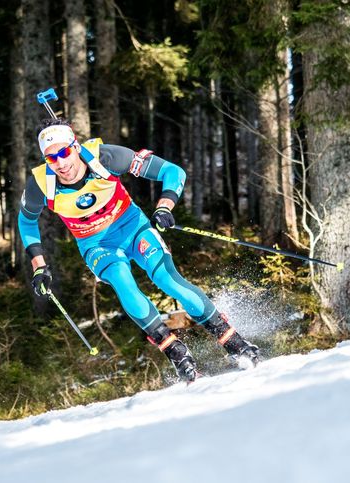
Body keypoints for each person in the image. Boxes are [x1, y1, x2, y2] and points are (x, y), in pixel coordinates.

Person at [18, 118, 259, 382]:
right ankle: (177, 354)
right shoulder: (41, 183)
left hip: (133, 228)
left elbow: (173, 171)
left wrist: (165, 205)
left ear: (75, 146)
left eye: (64, 152)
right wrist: (39, 266)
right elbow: (26, 221)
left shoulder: (106, 157)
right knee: (123, 282)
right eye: (52, 158)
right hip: (95, 244)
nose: (61, 163)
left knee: (167, 279)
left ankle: (233, 341)